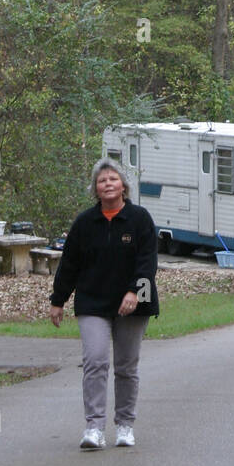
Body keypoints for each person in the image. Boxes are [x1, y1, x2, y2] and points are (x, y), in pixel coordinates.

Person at [49, 158, 159, 450]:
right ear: (95, 189)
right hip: (93, 301)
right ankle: (94, 428)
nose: (108, 184)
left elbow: (148, 263)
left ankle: (125, 425)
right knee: (95, 361)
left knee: (126, 366)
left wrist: (136, 292)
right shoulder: (85, 223)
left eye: (113, 179)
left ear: (123, 185)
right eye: (102, 181)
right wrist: (58, 300)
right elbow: (69, 264)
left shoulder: (140, 219)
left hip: (134, 303)